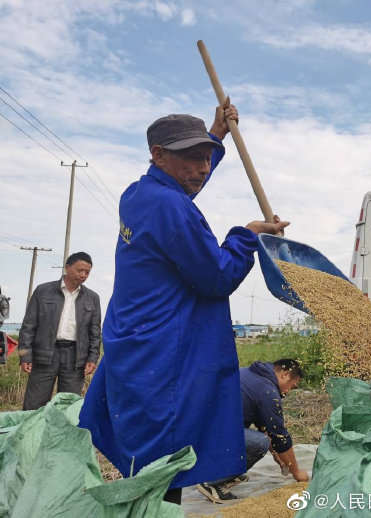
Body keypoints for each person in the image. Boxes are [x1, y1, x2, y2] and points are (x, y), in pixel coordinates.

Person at [78, 101, 289, 505]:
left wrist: (217, 134)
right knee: (164, 460)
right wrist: (246, 235)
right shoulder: (171, 208)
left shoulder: (139, 194)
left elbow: (179, 193)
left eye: (207, 158)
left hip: (135, 344)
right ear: (157, 154)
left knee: (144, 453)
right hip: (165, 352)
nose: (204, 168)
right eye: (192, 159)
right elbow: (217, 277)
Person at [197, 358, 309, 503]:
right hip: (205, 432)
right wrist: (297, 473)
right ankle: (212, 480)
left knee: (256, 439)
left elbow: (265, 427)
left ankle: (220, 474)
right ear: (285, 375)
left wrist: (275, 454)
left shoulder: (252, 376)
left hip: (204, 426)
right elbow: (280, 437)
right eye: (291, 386)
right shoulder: (267, 391)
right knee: (259, 443)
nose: (287, 391)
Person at [18, 252, 101, 410]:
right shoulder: (43, 291)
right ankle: (30, 434)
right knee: (34, 404)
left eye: (87, 272)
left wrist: (92, 358)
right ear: (67, 267)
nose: (83, 275)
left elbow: (95, 332)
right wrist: (25, 355)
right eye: (80, 270)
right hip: (44, 354)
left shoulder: (92, 298)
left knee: (68, 406)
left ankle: (61, 435)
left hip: (75, 358)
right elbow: (28, 326)